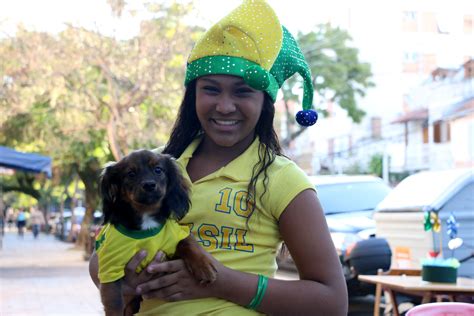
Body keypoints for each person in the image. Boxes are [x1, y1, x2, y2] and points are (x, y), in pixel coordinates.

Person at [90, 0, 347, 314]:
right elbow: (99, 262)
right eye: (211, 89)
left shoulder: (281, 179)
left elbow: (332, 302)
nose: (225, 106)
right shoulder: (154, 168)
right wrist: (128, 281)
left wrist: (221, 281)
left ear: (265, 102)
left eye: (242, 92)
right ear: (192, 95)